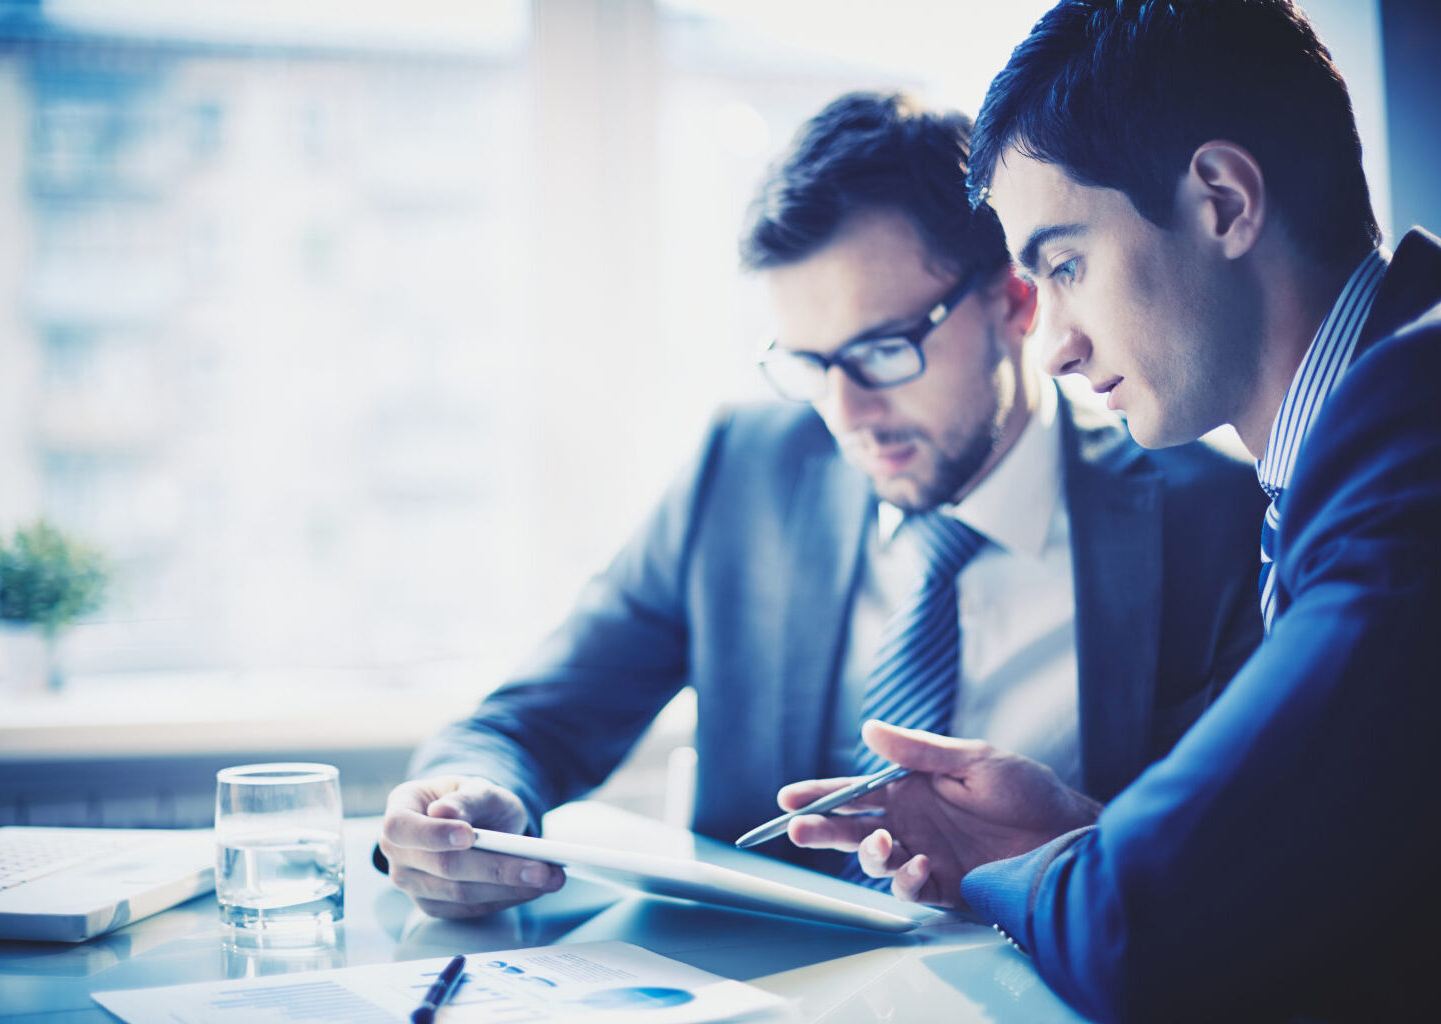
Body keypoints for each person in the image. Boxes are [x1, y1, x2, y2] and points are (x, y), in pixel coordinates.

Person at [375, 91, 1265, 921]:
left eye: (882, 351)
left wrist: (1081, 845)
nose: (846, 415)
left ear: (1014, 301)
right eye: (810, 364)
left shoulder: (1208, 522)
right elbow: (530, 720)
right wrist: (465, 801)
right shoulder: (745, 472)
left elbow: (1247, 869)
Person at [781, 3, 1441, 1022]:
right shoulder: (1359, 432)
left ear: (1222, 201)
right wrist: (1089, 839)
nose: (1053, 347)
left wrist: (1055, 866)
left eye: (1065, 265)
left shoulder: (1409, 437)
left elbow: (1147, 927)